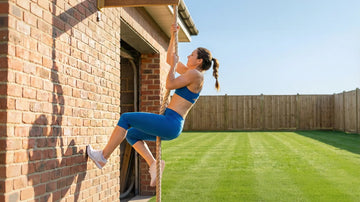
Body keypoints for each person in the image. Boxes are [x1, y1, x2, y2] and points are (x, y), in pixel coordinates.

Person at [87, 24, 220, 187]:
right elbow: (170, 59)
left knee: (126, 118)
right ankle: (153, 164)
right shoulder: (191, 73)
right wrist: (173, 35)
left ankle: (103, 157)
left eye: (192, 55)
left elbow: (170, 84)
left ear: (199, 61)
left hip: (171, 122)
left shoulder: (195, 75)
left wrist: (172, 67)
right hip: (170, 124)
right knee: (132, 135)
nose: (188, 57)